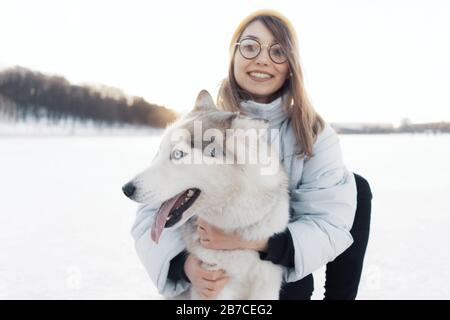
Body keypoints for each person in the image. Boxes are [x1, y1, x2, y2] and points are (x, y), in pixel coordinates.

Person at [131, 9, 372, 300]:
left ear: (291, 65)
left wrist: (256, 241)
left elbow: (330, 222)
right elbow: (151, 210)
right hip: (213, 264)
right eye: (249, 46)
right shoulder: (198, 125)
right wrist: (183, 266)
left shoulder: (313, 132)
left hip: (279, 257)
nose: (262, 58)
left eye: (278, 51)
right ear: (233, 56)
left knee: (356, 187)